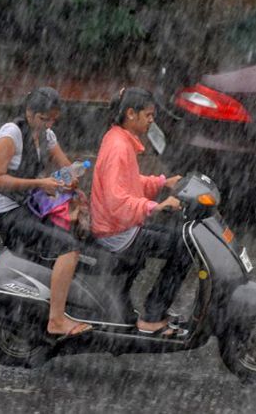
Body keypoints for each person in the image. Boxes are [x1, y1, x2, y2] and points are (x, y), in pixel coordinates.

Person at [0, 87, 91, 339]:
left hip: (29, 205)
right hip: (6, 212)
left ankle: (64, 299)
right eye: (44, 119)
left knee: (80, 233)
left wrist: (72, 184)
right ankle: (56, 319)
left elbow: (67, 168)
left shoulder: (47, 136)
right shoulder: (11, 135)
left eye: (53, 119)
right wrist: (40, 183)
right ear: (29, 113)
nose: (48, 124)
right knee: (68, 247)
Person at [90, 87, 192, 337]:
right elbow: (117, 199)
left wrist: (161, 182)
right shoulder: (118, 147)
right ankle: (153, 316)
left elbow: (130, 182)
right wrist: (155, 206)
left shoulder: (119, 139)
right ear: (131, 114)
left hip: (122, 224)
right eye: (148, 115)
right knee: (183, 248)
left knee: (180, 237)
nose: (151, 120)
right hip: (116, 231)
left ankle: (153, 311)